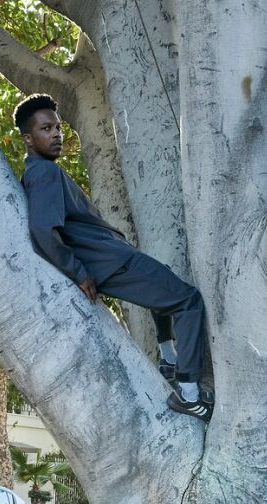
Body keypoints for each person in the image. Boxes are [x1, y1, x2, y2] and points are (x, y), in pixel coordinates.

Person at [14, 93, 212, 421]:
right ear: (28, 139)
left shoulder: (44, 171)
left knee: (164, 280)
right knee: (188, 301)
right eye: (46, 129)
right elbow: (43, 230)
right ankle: (188, 394)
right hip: (109, 262)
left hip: (112, 258)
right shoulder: (43, 173)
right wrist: (78, 272)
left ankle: (168, 358)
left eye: (58, 127)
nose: (57, 134)